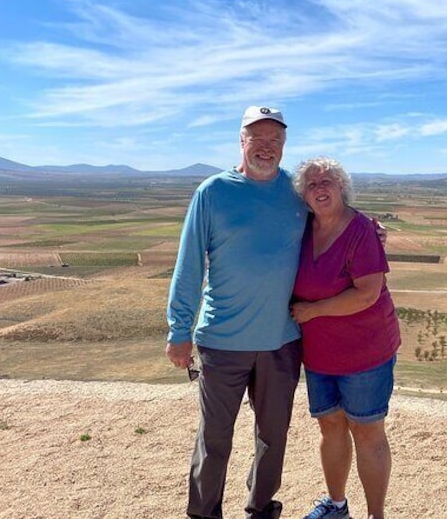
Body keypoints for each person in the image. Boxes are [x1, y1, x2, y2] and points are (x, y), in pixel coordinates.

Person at [165, 105, 306, 519]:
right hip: (221, 341)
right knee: (214, 438)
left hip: (281, 340)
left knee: (273, 437)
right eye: (257, 139)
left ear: (284, 145)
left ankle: (261, 509)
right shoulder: (212, 192)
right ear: (241, 141)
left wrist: (371, 231)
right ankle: (204, 513)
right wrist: (179, 329)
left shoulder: (297, 191)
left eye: (275, 140)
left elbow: (336, 223)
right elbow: (189, 263)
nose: (266, 148)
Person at [290, 157, 401, 519]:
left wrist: (312, 311)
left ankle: (376, 515)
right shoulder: (302, 228)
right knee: (331, 426)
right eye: (312, 184)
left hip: (365, 351)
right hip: (321, 353)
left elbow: (367, 293)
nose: (320, 189)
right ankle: (337, 506)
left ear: (342, 188)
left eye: (328, 182)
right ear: (303, 195)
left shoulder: (361, 230)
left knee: (367, 432)